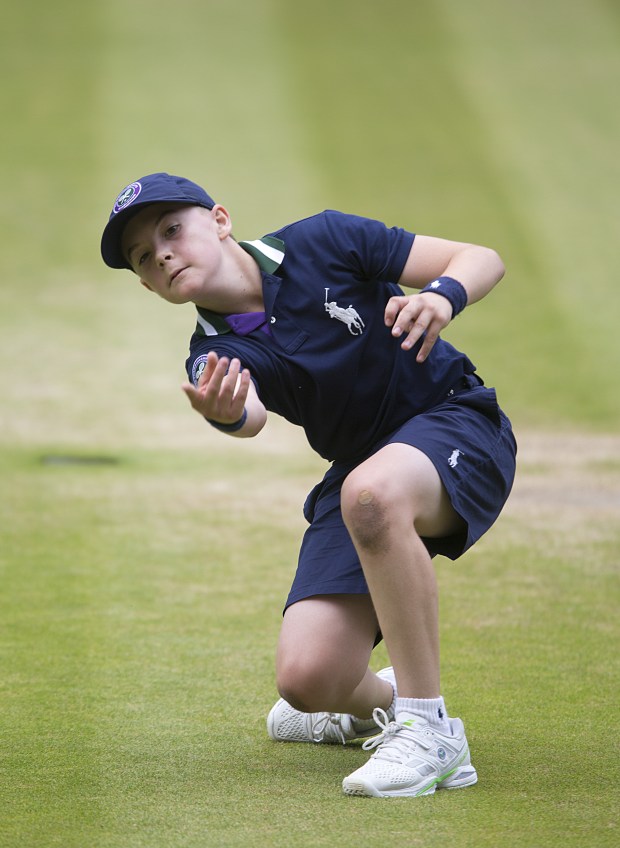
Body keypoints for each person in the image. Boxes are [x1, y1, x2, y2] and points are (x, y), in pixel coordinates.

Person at [101, 172, 517, 799]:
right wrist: (226, 415)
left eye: (170, 230)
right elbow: (250, 416)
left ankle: (432, 733)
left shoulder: (324, 240)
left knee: (371, 495)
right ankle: (382, 704)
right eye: (143, 255)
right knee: (308, 679)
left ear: (219, 220)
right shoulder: (210, 354)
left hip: (458, 422)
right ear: (145, 284)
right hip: (362, 469)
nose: (160, 252)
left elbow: (481, 258)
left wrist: (442, 297)